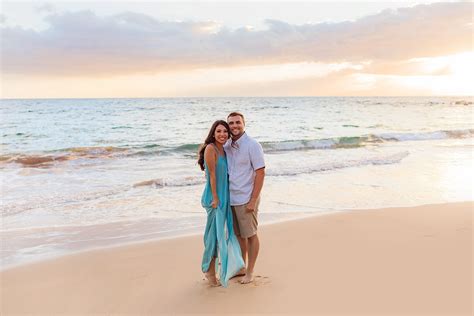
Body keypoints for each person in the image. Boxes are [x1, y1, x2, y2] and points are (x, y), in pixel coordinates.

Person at [198, 120, 245, 287]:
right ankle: (209, 272)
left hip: (224, 197)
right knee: (212, 236)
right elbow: (212, 176)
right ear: (213, 133)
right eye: (219, 131)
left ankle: (214, 271)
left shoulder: (223, 150)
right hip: (214, 198)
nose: (222, 134)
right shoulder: (211, 149)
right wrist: (216, 198)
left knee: (219, 235)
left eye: (225, 131)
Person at [224, 112, 265, 284]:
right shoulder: (226, 145)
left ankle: (250, 271)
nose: (234, 126)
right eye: (231, 123)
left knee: (251, 235)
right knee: (239, 236)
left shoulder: (253, 145)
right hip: (231, 198)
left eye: (237, 122)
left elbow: (260, 172)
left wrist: (253, 200)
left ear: (244, 123)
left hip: (246, 198)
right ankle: (242, 267)